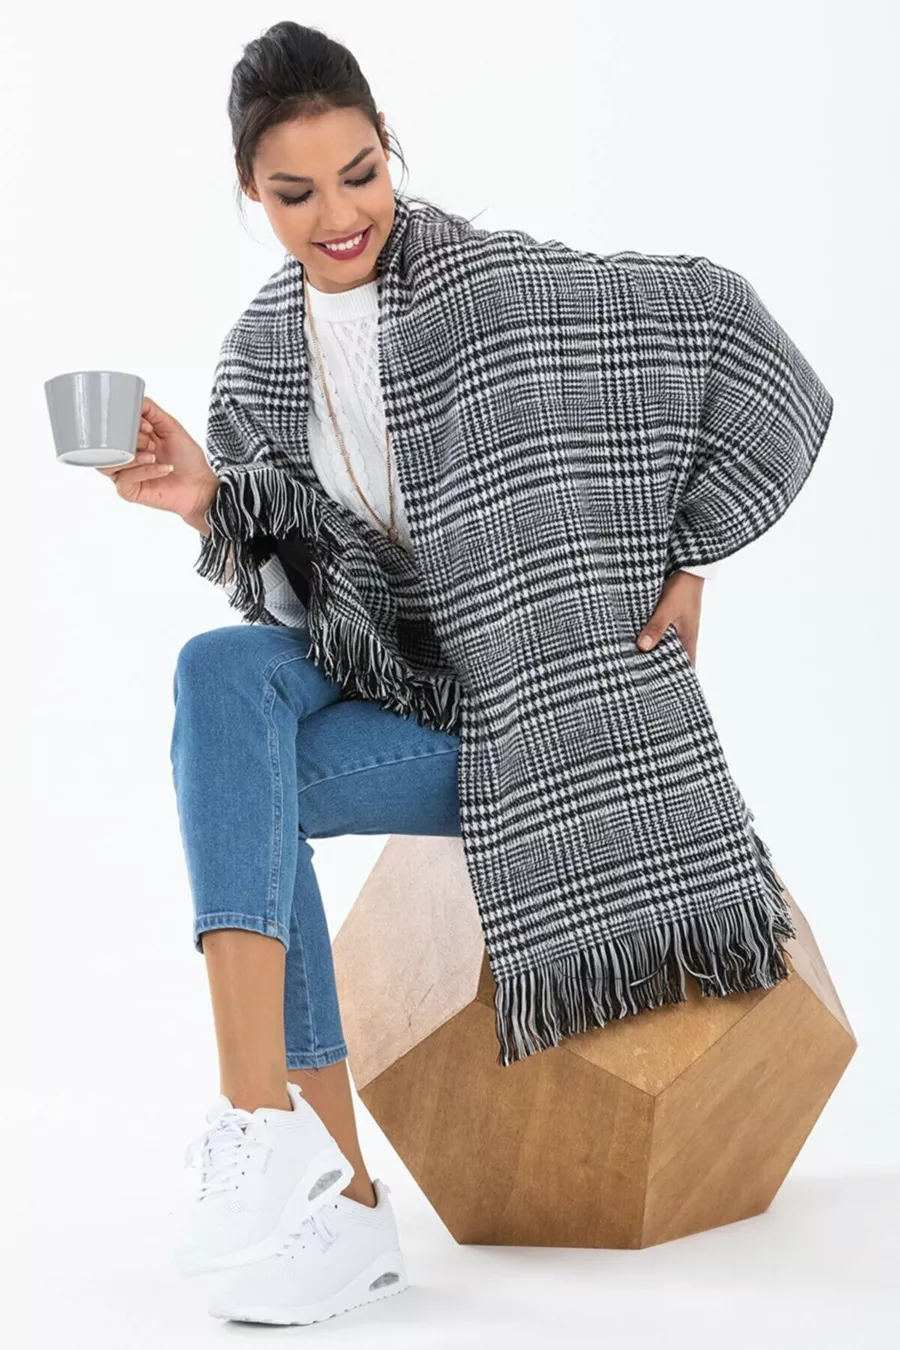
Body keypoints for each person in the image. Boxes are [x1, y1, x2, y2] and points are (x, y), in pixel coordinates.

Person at [97, 21, 721, 1327]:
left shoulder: (496, 288)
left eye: (360, 174)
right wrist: (207, 499)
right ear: (248, 193)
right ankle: (272, 1132)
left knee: (245, 780)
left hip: (526, 713)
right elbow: (292, 606)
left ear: (392, 148)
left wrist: (693, 548)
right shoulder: (257, 358)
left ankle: (329, 1193)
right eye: (295, 193)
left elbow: (722, 335)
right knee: (221, 673)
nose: (339, 217)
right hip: (381, 692)